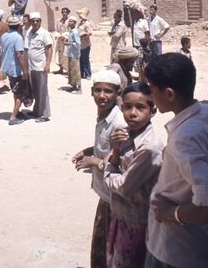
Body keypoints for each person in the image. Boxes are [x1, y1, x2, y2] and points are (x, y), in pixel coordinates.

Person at [144, 53, 208, 268]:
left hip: (176, 249)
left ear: (170, 94)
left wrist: (170, 214)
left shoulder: (186, 138)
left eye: (152, 88)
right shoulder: (205, 112)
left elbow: (206, 206)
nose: (150, 94)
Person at [104, 82, 163, 268]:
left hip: (137, 221)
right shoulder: (126, 133)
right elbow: (112, 158)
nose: (133, 113)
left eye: (140, 107)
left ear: (152, 111)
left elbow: (124, 186)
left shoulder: (149, 147)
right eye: (128, 107)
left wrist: (106, 172)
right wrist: (114, 148)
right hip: (120, 215)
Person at [72, 70, 125, 268]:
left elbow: (116, 162)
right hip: (105, 195)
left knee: (110, 251)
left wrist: (93, 161)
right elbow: (106, 148)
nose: (102, 96)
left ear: (118, 93)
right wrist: (89, 151)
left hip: (116, 199)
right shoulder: (104, 115)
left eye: (108, 92)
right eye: (98, 90)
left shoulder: (118, 122)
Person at [0, 16, 30, 125]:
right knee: (21, 93)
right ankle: (13, 117)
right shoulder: (18, 37)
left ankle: (16, 112)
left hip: (8, 68)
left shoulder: (4, 36)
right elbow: (19, 55)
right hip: (16, 69)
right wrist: (25, 71)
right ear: (18, 26)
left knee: (15, 90)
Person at [25, 12, 53, 122]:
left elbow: (49, 48)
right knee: (35, 90)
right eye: (33, 21)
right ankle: (36, 110)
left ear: (40, 21)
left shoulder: (44, 33)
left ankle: (44, 114)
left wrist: (48, 64)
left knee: (43, 91)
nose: (35, 23)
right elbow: (27, 49)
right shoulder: (30, 32)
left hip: (41, 66)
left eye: (37, 21)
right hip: (32, 67)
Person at [66, 16, 81, 93]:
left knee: (76, 71)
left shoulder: (75, 32)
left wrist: (69, 43)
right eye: (69, 21)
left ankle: (79, 88)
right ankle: (73, 86)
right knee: (72, 70)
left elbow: (78, 43)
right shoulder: (71, 31)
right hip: (71, 53)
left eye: (71, 21)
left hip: (75, 54)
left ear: (75, 23)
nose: (69, 23)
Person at [77, 7, 93, 80]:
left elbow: (90, 33)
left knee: (85, 59)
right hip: (80, 44)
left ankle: (88, 74)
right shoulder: (80, 23)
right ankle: (82, 73)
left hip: (85, 44)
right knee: (80, 60)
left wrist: (83, 36)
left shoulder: (87, 23)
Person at [55, 7, 71, 74]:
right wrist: (58, 35)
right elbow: (57, 30)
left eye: (65, 12)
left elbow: (70, 31)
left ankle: (68, 69)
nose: (64, 13)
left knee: (66, 55)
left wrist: (65, 36)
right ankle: (61, 68)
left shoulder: (70, 21)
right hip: (60, 40)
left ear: (67, 13)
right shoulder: (59, 21)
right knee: (60, 54)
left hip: (67, 40)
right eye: (63, 12)